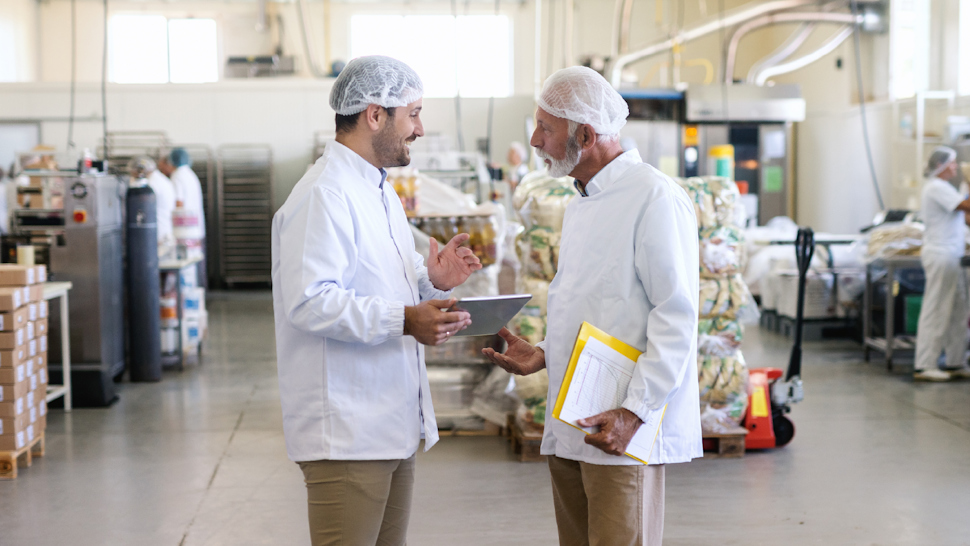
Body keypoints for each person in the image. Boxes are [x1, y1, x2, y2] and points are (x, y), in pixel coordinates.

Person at [482, 66, 702, 546]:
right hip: (574, 422)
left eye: (546, 128)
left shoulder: (654, 198)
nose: (536, 141)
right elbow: (597, 303)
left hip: (620, 427)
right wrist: (544, 351)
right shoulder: (583, 200)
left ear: (585, 133)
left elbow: (676, 315)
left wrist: (635, 413)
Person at [271, 55, 482, 546]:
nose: (420, 128)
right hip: (346, 431)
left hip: (388, 423)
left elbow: (383, 277)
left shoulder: (378, 190)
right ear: (374, 114)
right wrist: (407, 319)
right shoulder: (325, 194)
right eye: (413, 113)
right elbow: (310, 301)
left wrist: (431, 279)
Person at [913, 146, 970, 382]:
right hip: (941, 254)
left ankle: (955, 361)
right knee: (937, 309)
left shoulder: (945, 188)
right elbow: (965, 207)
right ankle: (924, 365)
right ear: (942, 166)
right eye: (953, 164)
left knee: (958, 309)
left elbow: (965, 216)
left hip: (953, 255)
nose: (956, 168)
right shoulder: (936, 187)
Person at [159, 148, 206, 283]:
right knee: (193, 267)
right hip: (195, 229)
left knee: (184, 271)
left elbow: (178, 203)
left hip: (184, 231)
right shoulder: (191, 174)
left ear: (170, 162)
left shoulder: (177, 176)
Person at [128, 156, 176, 258]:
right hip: (166, 231)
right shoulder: (163, 180)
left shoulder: (151, 184)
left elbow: (141, 208)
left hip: (157, 233)